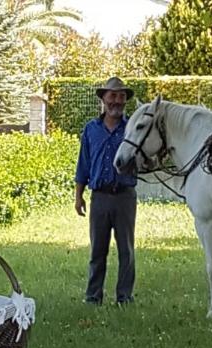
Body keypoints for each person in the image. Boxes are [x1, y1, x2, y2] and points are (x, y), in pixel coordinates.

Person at [75, 76, 137, 306]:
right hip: (99, 197)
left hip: (124, 197)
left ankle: (124, 297)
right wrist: (78, 195)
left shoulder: (132, 128)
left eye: (121, 96)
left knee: (126, 251)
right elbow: (83, 164)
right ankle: (93, 297)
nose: (117, 101)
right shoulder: (91, 130)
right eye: (112, 95)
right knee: (97, 251)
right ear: (103, 99)